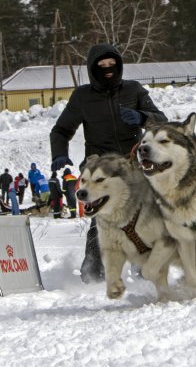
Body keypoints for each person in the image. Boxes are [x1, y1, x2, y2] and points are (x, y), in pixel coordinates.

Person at [50, 42, 167, 282]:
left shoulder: (134, 90)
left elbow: (161, 121)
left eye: (111, 64)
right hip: (98, 163)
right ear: (93, 69)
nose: (107, 68)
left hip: (130, 161)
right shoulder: (82, 96)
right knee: (102, 216)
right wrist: (59, 154)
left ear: (119, 65)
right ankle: (93, 270)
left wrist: (141, 117)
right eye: (101, 65)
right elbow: (60, 130)